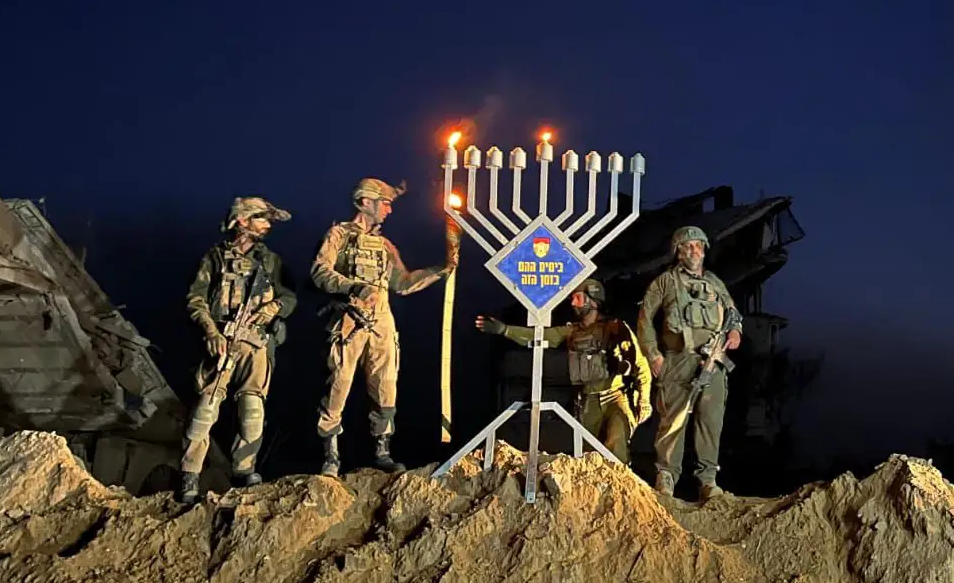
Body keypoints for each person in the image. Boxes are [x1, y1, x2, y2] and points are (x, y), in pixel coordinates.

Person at [310, 177, 454, 477]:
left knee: (386, 386)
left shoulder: (385, 246)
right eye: (385, 203)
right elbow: (320, 272)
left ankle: (382, 450)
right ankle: (331, 455)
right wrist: (355, 287)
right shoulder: (339, 235)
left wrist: (439, 271)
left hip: (382, 322)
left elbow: (401, 282)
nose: (389, 210)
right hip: (350, 319)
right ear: (366, 202)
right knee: (339, 385)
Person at [177, 196, 297, 503]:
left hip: (256, 344)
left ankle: (245, 470)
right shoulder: (215, 258)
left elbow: (290, 296)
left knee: (252, 410)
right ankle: (190, 474)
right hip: (223, 342)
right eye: (261, 218)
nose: (267, 225)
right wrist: (211, 331)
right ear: (242, 221)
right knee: (205, 410)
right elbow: (196, 299)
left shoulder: (270, 261)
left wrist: (274, 307)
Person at [475, 278, 653, 464]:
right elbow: (539, 337)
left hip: (614, 397)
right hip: (586, 403)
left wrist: (644, 399)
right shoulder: (571, 331)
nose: (573, 303)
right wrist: (505, 330)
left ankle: (620, 490)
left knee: (617, 442)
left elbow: (640, 365)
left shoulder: (615, 327)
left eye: (578, 298)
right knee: (590, 456)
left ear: (592, 300)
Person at [636, 225, 742, 501]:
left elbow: (733, 313)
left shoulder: (715, 283)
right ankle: (666, 477)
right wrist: (653, 354)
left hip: (713, 361)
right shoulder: (665, 282)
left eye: (699, 246)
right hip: (677, 360)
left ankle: (707, 480)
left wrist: (735, 331)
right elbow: (645, 319)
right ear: (678, 252)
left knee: (711, 421)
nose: (695, 251)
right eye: (689, 246)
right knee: (673, 421)